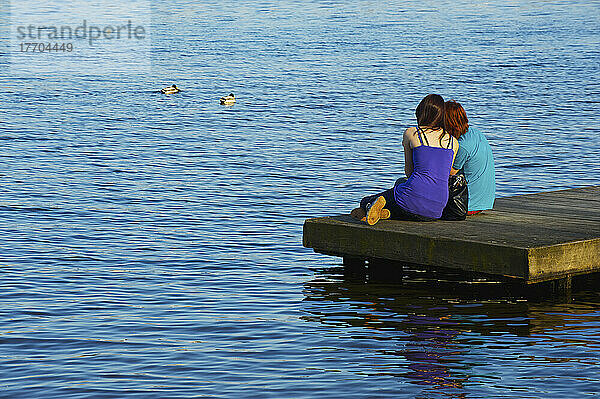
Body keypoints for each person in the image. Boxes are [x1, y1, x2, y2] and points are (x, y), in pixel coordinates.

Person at [351, 94, 458, 225]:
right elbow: (443, 176)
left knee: (366, 200)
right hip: (437, 208)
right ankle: (386, 212)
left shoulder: (412, 133)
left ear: (420, 113)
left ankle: (373, 207)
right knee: (406, 204)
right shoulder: (453, 142)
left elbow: (409, 172)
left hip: (412, 195)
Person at [444, 100, 495, 214]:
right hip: (483, 201)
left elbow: (449, 173)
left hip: (467, 204)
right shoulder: (476, 133)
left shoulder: (463, 146)